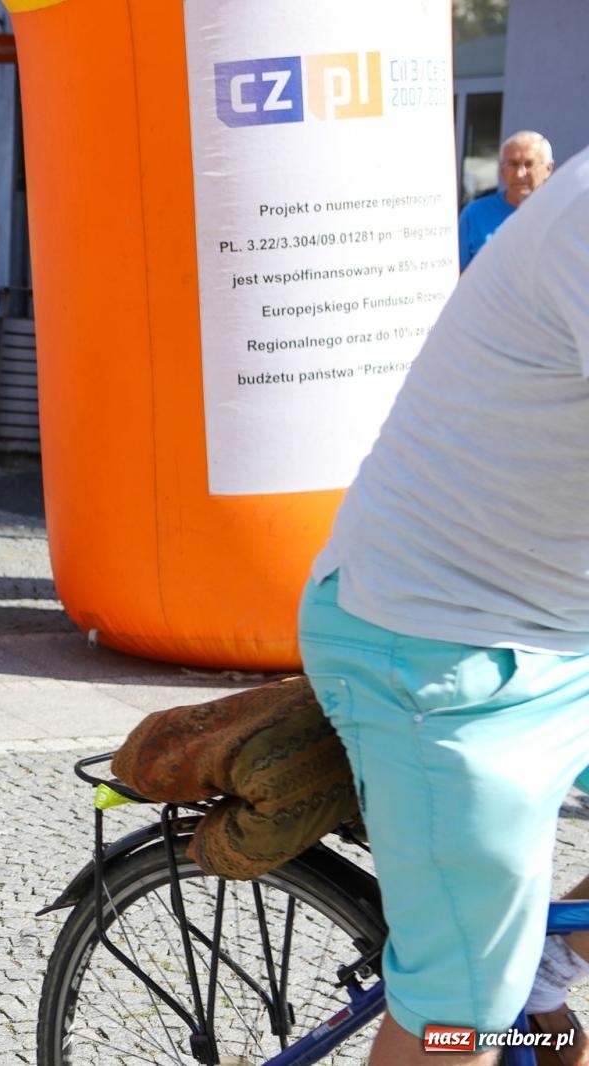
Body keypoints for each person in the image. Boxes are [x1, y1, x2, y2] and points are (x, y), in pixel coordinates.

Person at [297, 145, 589, 1065]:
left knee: (513, 987)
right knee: (463, 1021)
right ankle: (481, 1005)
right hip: (434, 644)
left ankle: (546, 961)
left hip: (565, 634)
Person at [458, 130, 554, 271]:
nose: (520, 174)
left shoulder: (562, 213)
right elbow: (454, 276)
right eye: (512, 164)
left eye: (529, 164)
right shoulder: (475, 214)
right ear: (502, 170)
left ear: (548, 169)